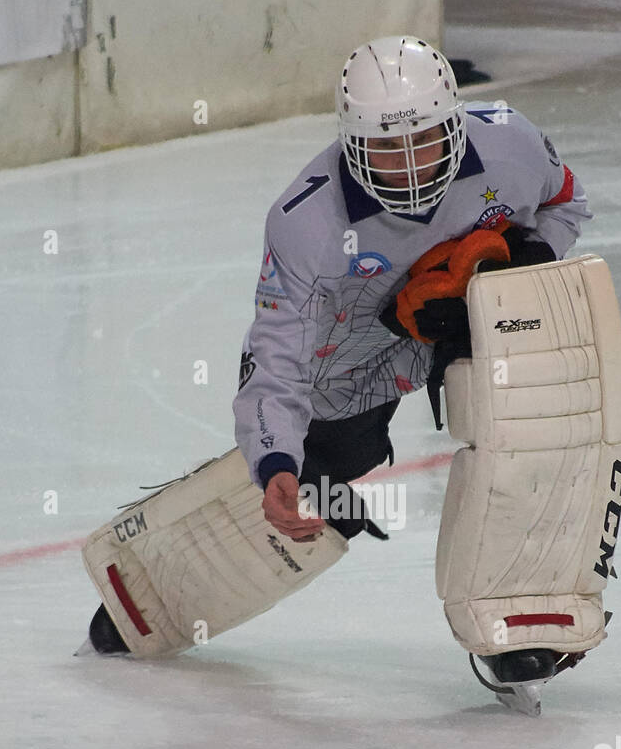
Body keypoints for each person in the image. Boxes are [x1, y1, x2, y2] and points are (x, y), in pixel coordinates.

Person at [233, 34, 591, 553]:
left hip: (475, 316)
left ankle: (528, 551)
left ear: (454, 123)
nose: (408, 166)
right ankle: (317, 464)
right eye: (383, 147)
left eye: (423, 138)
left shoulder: (512, 143)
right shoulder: (304, 221)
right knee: (345, 453)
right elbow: (277, 352)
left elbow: (567, 204)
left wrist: (523, 268)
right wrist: (275, 462)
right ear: (350, 143)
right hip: (355, 354)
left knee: (527, 398)